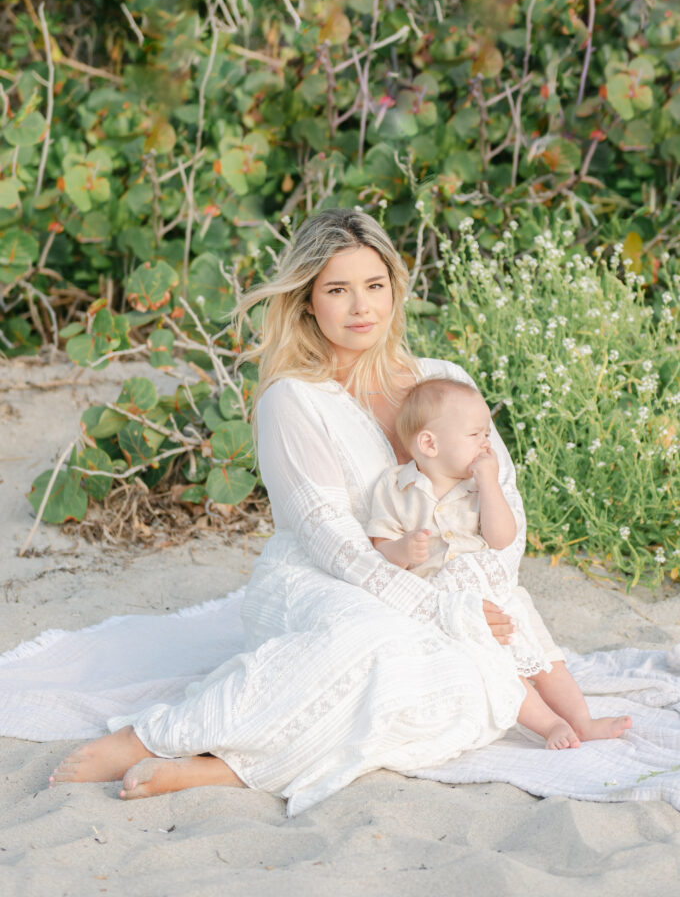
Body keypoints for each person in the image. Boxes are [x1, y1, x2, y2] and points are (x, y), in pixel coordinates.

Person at [47, 209, 569, 815]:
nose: (360, 308)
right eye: (338, 290)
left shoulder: (445, 380)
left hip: (448, 586)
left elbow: (506, 515)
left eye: (374, 286)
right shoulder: (293, 398)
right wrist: (446, 609)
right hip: (318, 580)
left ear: (395, 290)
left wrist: (477, 596)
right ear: (307, 302)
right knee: (368, 640)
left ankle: (227, 770)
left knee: (462, 683)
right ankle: (152, 736)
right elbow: (335, 545)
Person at [367, 376, 632, 749]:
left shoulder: (479, 485)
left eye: (486, 434)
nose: (486, 443)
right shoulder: (394, 488)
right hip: (454, 608)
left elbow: (502, 538)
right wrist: (403, 550)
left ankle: (582, 721)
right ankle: (550, 725)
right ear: (429, 443)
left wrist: (490, 484)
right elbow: (380, 554)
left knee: (547, 661)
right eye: (475, 435)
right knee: (503, 669)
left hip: (499, 592)